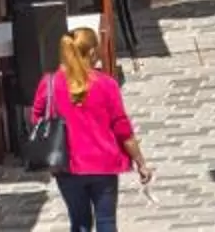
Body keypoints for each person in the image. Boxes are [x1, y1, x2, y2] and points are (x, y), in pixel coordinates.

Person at [28, 26, 151, 228]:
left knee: (79, 222)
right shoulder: (106, 84)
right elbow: (122, 128)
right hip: (104, 163)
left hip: (68, 165)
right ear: (93, 52)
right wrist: (140, 162)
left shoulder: (49, 83)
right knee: (107, 221)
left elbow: (36, 119)